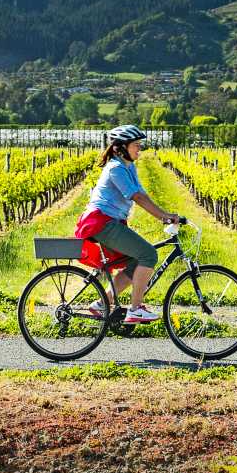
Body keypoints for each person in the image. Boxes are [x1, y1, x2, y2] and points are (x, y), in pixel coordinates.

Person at [72, 125, 184, 324]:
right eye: (136, 145)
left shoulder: (128, 166)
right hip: (101, 222)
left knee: (134, 260)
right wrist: (163, 217)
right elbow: (136, 197)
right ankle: (136, 309)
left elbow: (142, 194)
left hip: (109, 222)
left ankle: (103, 303)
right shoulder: (116, 168)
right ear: (122, 147)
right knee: (148, 254)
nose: (139, 148)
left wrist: (165, 214)